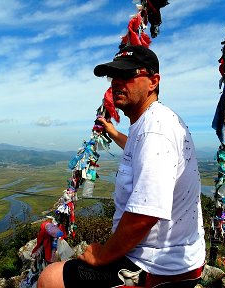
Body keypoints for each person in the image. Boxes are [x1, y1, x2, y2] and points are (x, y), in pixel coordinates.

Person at [37, 45, 205, 288]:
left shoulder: (154, 129)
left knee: (50, 278)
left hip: (158, 267)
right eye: (113, 77)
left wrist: (103, 255)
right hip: (168, 257)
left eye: (127, 75)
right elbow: (138, 151)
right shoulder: (150, 123)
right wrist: (113, 132)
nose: (117, 83)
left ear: (153, 82)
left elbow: (145, 214)